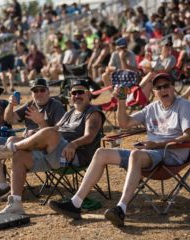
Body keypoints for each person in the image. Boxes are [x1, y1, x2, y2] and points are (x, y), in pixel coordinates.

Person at [48, 73, 190, 227]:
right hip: (149, 153)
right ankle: (75, 204)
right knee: (101, 153)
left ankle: (121, 209)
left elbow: (187, 136)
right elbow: (124, 123)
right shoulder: (152, 108)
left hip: (171, 154)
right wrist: (121, 101)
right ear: (154, 91)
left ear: (173, 87)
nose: (163, 90)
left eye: (166, 86)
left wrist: (158, 145)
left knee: (135, 155)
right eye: (158, 87)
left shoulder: (183, 105)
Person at [0, 79, 105, 214]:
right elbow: (54, 128)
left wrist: (73, 144)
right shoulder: (70, 112)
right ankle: (16, 203)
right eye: (74, 93)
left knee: (49, 133)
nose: (77, 96)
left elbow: (89, 136)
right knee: (19, 156)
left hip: (73, 155)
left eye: (80, 92)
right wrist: (37, 133)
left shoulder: (92, 112)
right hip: (53, 153)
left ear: (89, 94)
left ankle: (10, 148)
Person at [0, 78, 65, 201]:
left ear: (48, 92)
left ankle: (15, 184)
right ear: (32, 93)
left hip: (42, 149)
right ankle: (3, 185)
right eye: (35, 91)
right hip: (23, 141)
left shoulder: (56, 106)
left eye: (42, 90)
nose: (39, 93)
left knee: (12, 140)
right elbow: (9, 119)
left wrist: (41, 122)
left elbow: (57, 133)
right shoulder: (30, 105)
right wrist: (11, 105)